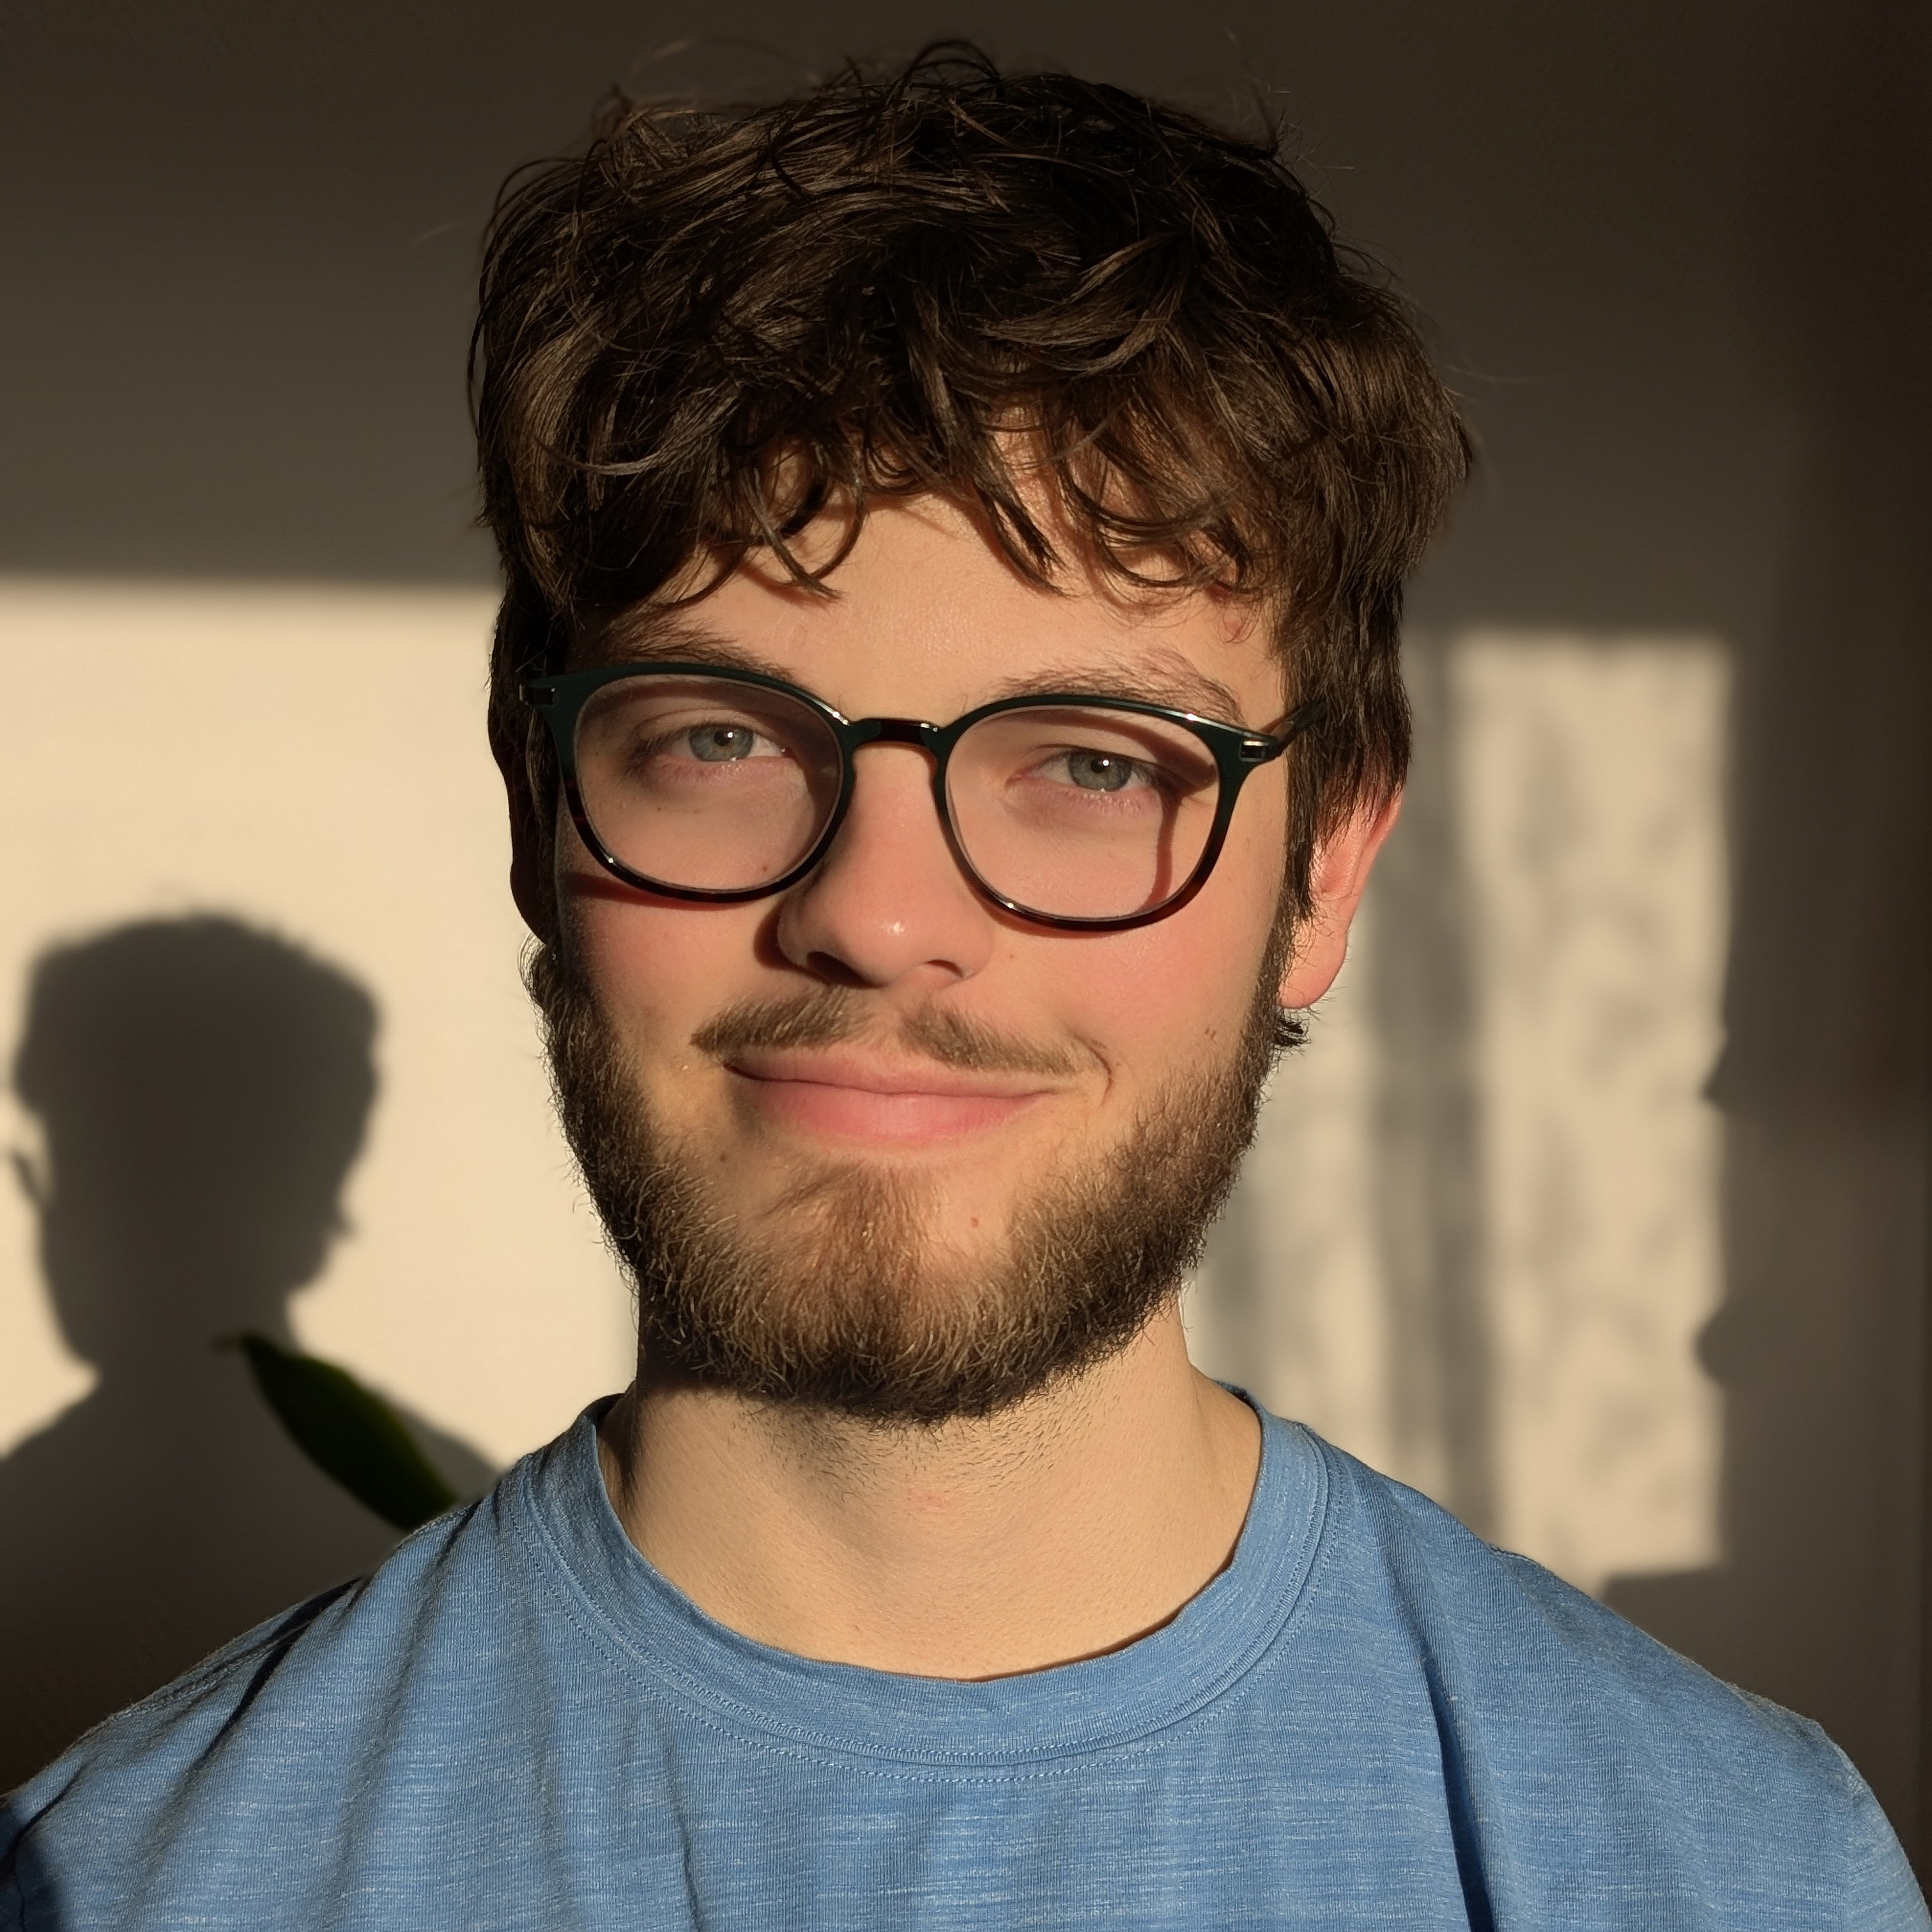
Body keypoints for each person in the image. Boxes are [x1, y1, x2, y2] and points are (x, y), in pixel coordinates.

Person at [3, 45, 1922, 1929]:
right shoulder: (131, 1883)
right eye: (719, 738)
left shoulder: (1731, 1869)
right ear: (540, 812)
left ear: (1326, 865)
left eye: (1094, 761)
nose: (882, 915)